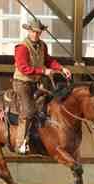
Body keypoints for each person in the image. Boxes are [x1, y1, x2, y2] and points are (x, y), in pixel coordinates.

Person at [13, 19, 72, 154]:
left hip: (36, 83)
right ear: (29, 31)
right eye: (34, 32)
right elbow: (23, 68)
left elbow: (48, 60)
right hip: (22, 83)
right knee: (28, 111)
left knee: (51, 104)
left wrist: (62, 69)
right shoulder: (21, 47)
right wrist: (43, 71)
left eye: (38, 32)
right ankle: (20, 142)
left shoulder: (42, 46)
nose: (36, 35)